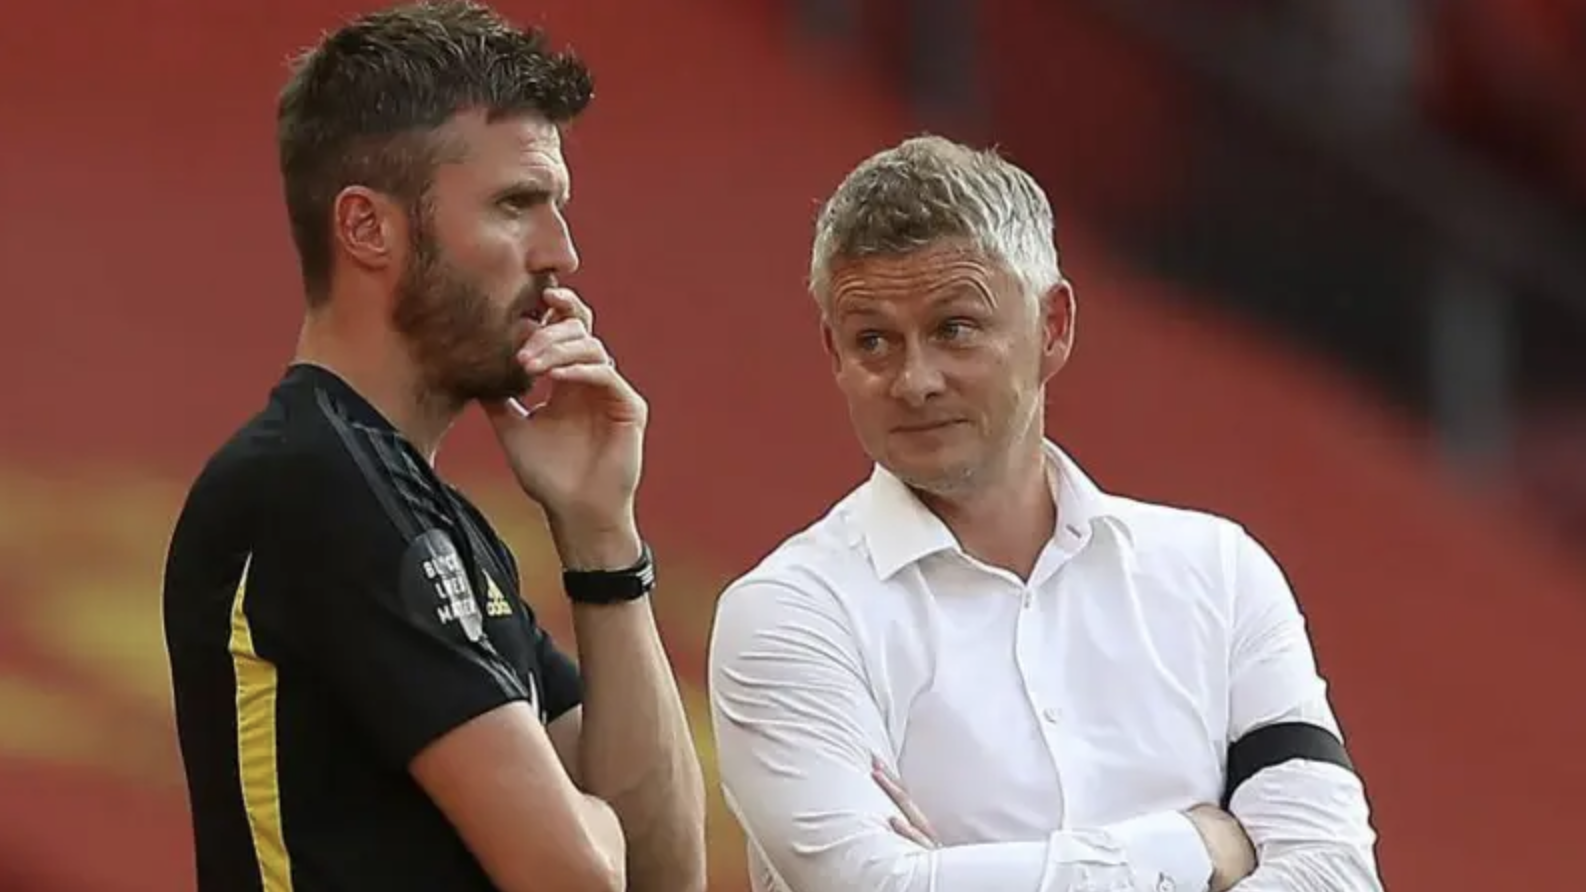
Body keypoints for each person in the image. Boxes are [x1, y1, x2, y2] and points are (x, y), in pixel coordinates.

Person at [707, 135, 1384, 892]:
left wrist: (955, 873)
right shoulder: (789, 613)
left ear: (1052, 327)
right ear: (834, 354)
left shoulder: (1219, 575)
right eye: (874, 341)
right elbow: (873, 887)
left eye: (954, 329)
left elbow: (1335, 874)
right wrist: (1191, 847)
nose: (915, 379)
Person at [161, 4, 706, 891]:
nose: (562, 254)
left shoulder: (433, 517)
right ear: (368, 228)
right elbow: (579, 877)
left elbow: (663, 875)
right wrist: (589, 825)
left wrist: (603, 540)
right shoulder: (312, 484)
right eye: (516, 205)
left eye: (557, 208)